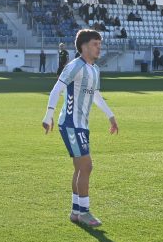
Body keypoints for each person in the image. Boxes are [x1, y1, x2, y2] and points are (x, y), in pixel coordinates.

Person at [42, 29, 118, 227]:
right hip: (70, 124)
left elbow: (96, 96)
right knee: (87, 166)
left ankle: (76, 211)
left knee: (80, 168)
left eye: (100, 44)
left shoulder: (95, 69)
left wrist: (111, 116)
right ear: (83, 46)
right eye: (95, 44)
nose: (99, 47)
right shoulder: (75, 66)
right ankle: (84, 212)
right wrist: (48, 115)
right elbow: (56, 89)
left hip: (81, 125)